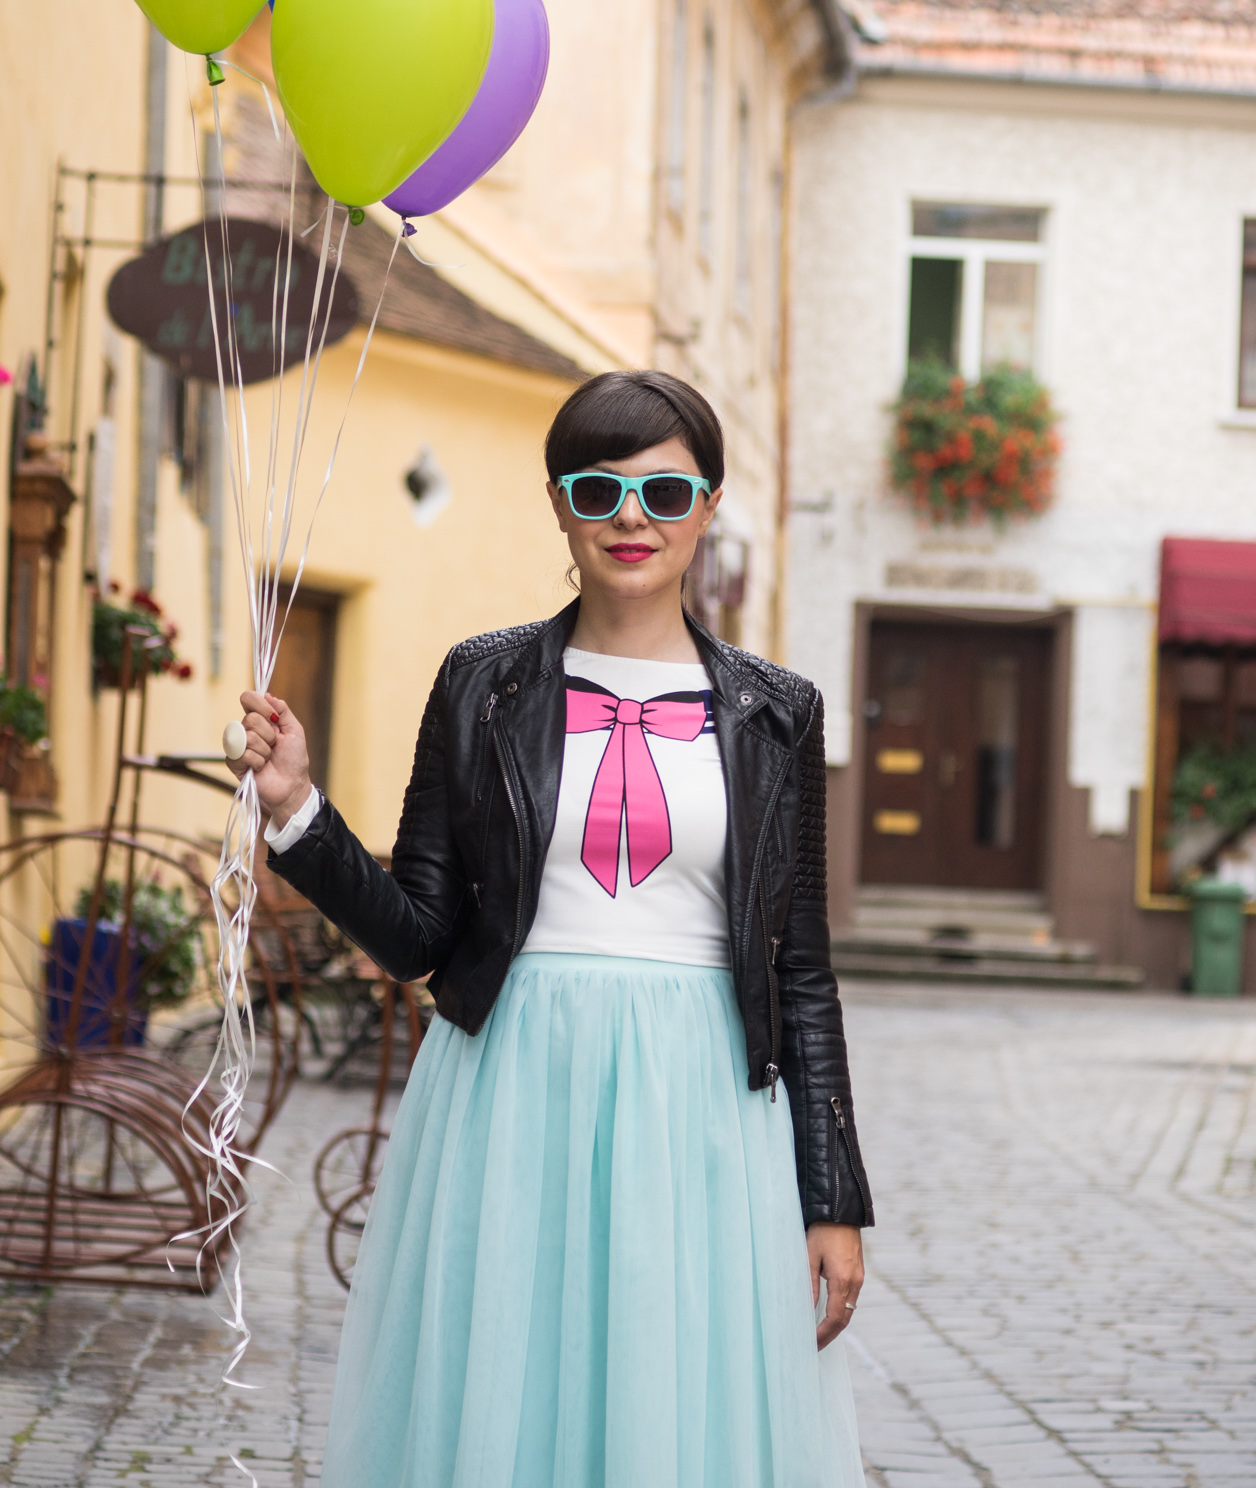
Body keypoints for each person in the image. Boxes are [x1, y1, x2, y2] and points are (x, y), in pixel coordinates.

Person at [232, 368, 873, 1488]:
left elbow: (803, 966)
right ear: (559, 502)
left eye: (667, 493)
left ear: (708, 506)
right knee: (508, 1388)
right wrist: (298, 810)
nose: (633, 517)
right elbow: (421, 931)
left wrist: (834, 1195)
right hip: (511, 1082)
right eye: (599, 488)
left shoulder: (780, 709)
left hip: (706, 1100)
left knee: (677, 1391)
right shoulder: (481, 683)